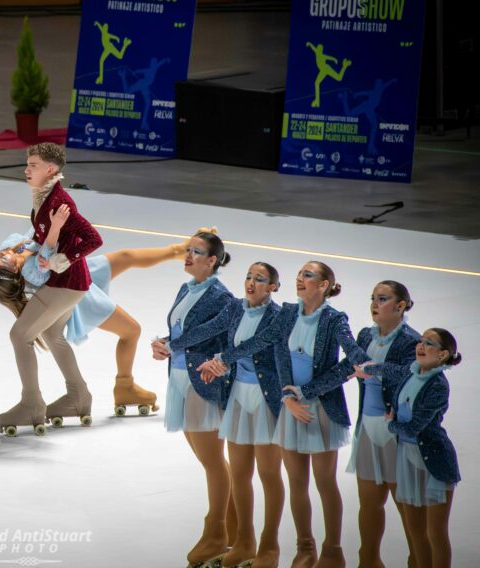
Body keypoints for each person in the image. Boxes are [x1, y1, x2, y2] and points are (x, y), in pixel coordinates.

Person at [200, 261, 371, 568]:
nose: (299, 279)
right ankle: (304, 549)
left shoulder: (334, 319)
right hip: (291, 405)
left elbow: (351, 358)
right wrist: (223, 360)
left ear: (323, 285)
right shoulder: (288, 313)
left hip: (319, 407)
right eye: (298, 275)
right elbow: (263, 344)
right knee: (297, 483)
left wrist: (366, 366)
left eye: (307, 275)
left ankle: (332, 551)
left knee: (324, 482)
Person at [0, 230, 214, 420]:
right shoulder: (31, 271)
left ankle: (179, 249)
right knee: (132, 330)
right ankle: (124, 386)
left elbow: (36, 238)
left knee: (125, 256)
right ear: (15, 271)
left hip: (79, 268)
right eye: (3, 259)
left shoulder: (13, 247)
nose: (3, 253)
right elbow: (48, 255)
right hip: (79, 292)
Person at [172, 262, 284, 568]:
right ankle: (244, 540)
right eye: (249, 277)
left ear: (273, 287)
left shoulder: (279, 316)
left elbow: (256, 344)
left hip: (266, 402)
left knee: (269, 474)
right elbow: (205, 331)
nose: (251, 282)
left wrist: (221, 360)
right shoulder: (235, 308)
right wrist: (170, 345)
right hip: (238, 398)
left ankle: (270, 547)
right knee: (239, 473)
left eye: (260, 279)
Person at [0, 143, 102, 436]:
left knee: (20, 334)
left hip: (66, 283)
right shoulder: (45, 197)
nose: (27, 170)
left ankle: (31, 404)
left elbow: (93, 238)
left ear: (50, 170)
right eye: (27, 164)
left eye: (33, 165)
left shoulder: (59, 201)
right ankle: (78, 396)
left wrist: (63, 259)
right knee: (52, 335)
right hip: (69, 283)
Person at [150, 231, 236, 568]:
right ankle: (236, 529)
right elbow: (181, 333)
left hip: (203, 384)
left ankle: (215, 532)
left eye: (196, 252)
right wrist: (163, 343)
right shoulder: (187, 288)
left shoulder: (223, 297)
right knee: (210, 461)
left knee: (213, 461)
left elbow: (215, 340)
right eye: (187, 251)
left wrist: (175, 344)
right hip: (180, 379)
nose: (187, 257)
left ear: (212, 261)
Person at [351, 328, 461, 568]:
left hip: (433, 462)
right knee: (416, 531)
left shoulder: (438, 385)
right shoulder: (410, 373)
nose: (420, 346)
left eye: (428, 343)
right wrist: (365, 369)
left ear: (442, 355)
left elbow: (413, 428)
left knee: (435, 533)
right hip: (407, 461)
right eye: (420, 341)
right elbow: (386, 368)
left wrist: (391, 425)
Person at [345, 281, 420, 568]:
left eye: (383, 299)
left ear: (400, 306)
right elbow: (348, 367)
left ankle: (418, 559)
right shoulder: (366, 335)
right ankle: (368, 560)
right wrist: (306, 391)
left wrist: (373, 369)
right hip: (367, 429)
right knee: (369, 504)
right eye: (373, 298)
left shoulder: (411, 341)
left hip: (394, 433)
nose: (375, 304)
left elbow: (406, 374)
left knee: (406, 508)